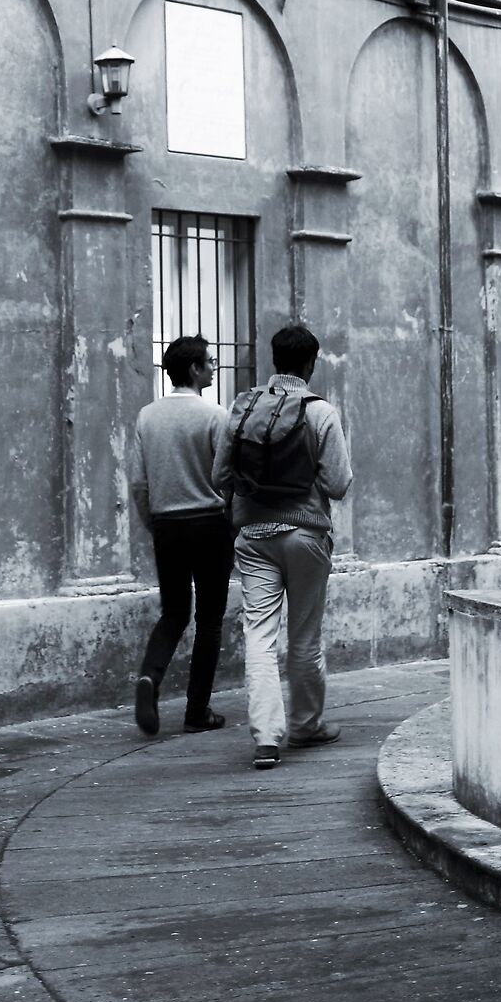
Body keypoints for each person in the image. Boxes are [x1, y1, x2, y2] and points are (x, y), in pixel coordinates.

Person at [212, 322, 353, 770]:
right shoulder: (320, 412)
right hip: (306, 534)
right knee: (305, 633)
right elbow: (338, 483)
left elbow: (219, 478)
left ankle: (266, 740)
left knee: (259, 635)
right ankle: (306, 725)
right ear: (311, 363)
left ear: (275, 360)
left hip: (254, 536)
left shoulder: (243, 407)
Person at [127, 335, 234, 736]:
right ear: (194, 369)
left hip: (167, 525)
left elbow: (138, 482)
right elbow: (226, 477)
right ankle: (197, 711)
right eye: (209, 361)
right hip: (209, 523)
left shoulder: (146, 417)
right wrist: (231, 517)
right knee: (209, 619)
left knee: (174, 612)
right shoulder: (214, 416)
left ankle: (150, 677)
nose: (213, 367)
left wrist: (152, 521)